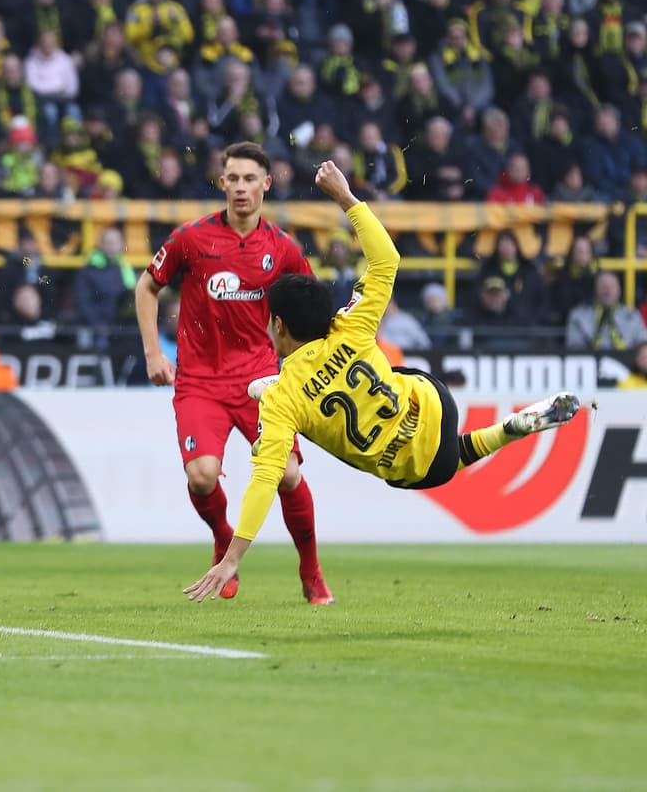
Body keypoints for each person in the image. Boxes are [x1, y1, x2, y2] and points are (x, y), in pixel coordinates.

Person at [185, 161, 580, 601]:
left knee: (432, 463)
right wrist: (346, 198)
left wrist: (234, 555)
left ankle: (502, 435)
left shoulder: (282, 397)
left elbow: (265, 480)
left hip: (411, 468)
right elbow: (387, 258)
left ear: (278, 326)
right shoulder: (350, 324)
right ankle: (506, 430)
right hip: (434, 402)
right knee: (403, 393)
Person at [135, 142, 332, 605]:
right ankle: (224, 541)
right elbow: (147, 287)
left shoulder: (281, 248)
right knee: (202, 477)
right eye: (233, 178)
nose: (240, 187)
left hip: (260, 379)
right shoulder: (190, 238)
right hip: (200, 380)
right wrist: (151, 354)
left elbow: (305, 308)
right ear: (221, 183)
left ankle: (311, 571)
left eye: (250, 179)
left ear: (267, 184)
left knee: (287, 475)